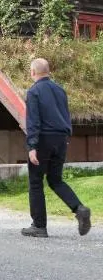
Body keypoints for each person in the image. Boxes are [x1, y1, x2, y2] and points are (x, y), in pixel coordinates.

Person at [22, 58, 91, 238]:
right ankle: (79, 208)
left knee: (36, 181)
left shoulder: (34, 92)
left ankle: (39, 226)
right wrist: (65, 137)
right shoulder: (60, 90)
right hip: (61, 139)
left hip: (43, 139)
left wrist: (32, 146)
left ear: (32, 72)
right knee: (55, 180)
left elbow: (33, 121)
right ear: (48, 71)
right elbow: (65, 115)